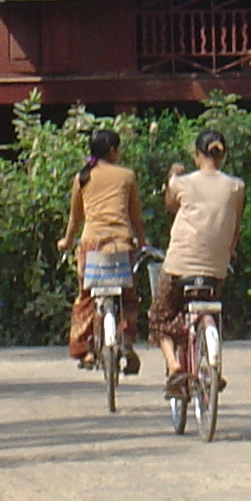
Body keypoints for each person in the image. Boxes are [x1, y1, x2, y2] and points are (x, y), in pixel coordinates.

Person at [153, 127, 244, 401]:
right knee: (211, 309)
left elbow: (170, 206)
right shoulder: (236, 187)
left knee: (160, 317)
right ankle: (213, 362)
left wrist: (172, 178)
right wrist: (230, 252)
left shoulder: (182, 183)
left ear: (196, 156)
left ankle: (174, 366)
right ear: (223, 156)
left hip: (180, 265)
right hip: (216, 269)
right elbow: (235, 229)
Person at [60, 128, 142, 371]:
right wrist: (143, 241)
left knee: (86, 298)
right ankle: (126, 341)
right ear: (113, 151)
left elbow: (75, 219)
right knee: (128, 299)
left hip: (91, 246)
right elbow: (135, 217)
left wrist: (66, 241)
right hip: (120, 245)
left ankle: (85, 351)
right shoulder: (127, 176)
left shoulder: (82, 177)